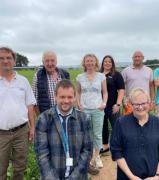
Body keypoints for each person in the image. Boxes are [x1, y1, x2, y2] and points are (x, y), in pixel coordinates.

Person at [110, 88, 159, 180]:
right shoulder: (121, 123)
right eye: (136, 104)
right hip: (126, 177)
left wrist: (157, 176)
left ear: (149, 103)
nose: (140, 107)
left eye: (143, 103)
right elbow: (116, 152)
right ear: (130, 105)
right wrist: (131, 176)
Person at [35, 79, 93, 180]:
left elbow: (87, 151)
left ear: (75, 98)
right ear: (55, 97)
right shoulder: (44, 119)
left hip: (78, 176)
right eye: (62, 97)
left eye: (70, 97)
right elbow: (41, 154)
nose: (66, 101)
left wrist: (74, 178)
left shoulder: (84, 119)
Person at [0, 47, 36, 180]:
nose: (5, 61)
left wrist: (32, 127)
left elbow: (30, 106)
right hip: (1, 134)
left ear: (14, 61)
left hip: (21, 132)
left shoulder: (23, 81)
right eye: (1, 58)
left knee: (20, 167)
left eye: (9, 58)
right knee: (0, 168)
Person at [76, 54, 108, 173]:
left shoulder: (101, 76)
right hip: (84, 110)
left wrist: (103, 104)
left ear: (96, 62)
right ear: (84, 63)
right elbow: (78, 92)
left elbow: (105, 93)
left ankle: (97, 157)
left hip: (98, 109)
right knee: (86, 133)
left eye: (92, 61)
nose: (89, 63)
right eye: (87, 61)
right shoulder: (80, 77)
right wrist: (78, 104)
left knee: (97, 134)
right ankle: (87, 157)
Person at [99, 55, 125, 154]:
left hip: (113, 105)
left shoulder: (116, 74)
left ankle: (117, 147)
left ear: (112, 63)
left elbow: (122, 90)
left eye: (109, 62)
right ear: (102, 63)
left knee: (116, 126)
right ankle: (105, 146)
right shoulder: (98, 74)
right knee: (103, 126)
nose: (107, 63)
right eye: (105, 61)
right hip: (101, 106)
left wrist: (118, 104)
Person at [32, 50, 70, 114]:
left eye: (52, 60)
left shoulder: (65, 74)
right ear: (43, 62)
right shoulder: (37, 76)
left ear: (56, 61)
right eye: (47, 61)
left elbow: (69, 96)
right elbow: (34, 101)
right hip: (47, 117)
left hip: (64, 115)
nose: (50, 64)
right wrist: (41, 117)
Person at [121, 51, 155, 115]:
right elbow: (122, 88)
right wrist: (124, 100)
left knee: (144, 122)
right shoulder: (126, 71)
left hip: (145, 102)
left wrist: (152, 101)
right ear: (132, 58)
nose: (137, 58)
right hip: (130, 103)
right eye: (135, 57)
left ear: (143, 58)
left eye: (139, 57)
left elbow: (151, 86)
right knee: (129, 123)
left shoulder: (149, 70)